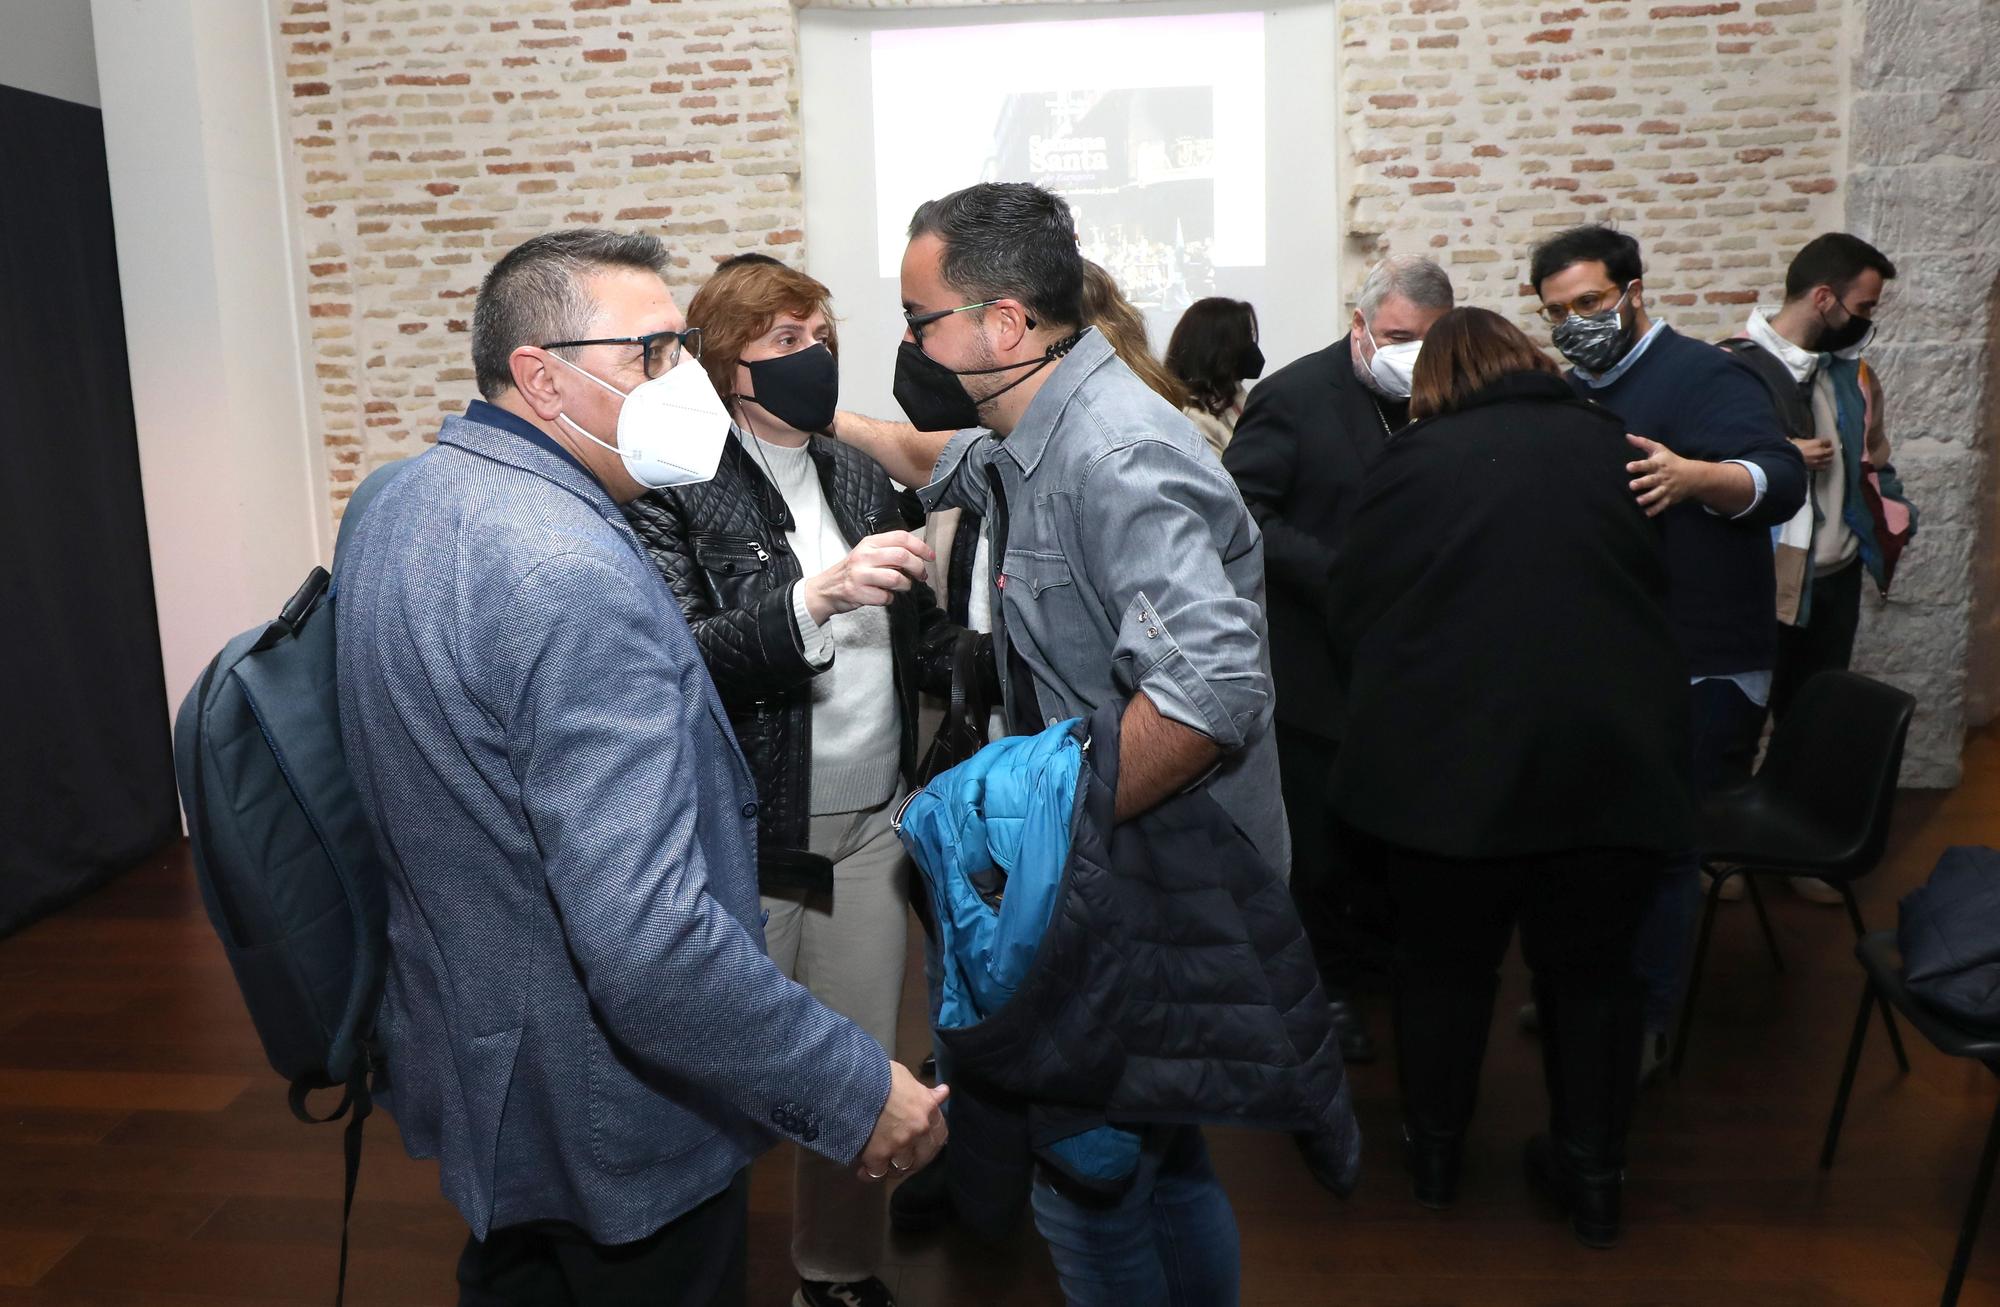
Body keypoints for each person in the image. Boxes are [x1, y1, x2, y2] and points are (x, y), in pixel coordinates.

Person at [334, 229, 948, 1306]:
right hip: (604, 1103)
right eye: (651, 354)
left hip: (484, 1053)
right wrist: (854, 1087)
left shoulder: (399, 496)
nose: (681, 383)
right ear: (540, 374)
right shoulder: (567, 567)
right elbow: (649, 941)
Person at [841, 180, 1291, 1305]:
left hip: (1142, 891)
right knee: (1162, 1163)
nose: (911, 342)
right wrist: (795, 413)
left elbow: (1205, 695)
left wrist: (1035, 830)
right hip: (1134, 884)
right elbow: (916, 451)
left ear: (1000, 328)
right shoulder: (1025, 431)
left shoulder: (1113, 456)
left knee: (1080, 1191)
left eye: (920, 319)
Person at [619, 258, 987, 1307]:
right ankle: (695, 1272)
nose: (811, 354)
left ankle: (836, 1271)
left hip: (871, 828)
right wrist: (809, 601)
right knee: (715, 1083)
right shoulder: (673, 491)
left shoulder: (862, 472)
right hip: (747, 835)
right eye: (783, 339)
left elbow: (918, 646)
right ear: (723, 363)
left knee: (860, 1070)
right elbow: (680, 652)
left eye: (819, 330)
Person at [1328, 306, 1691, 1248]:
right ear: (1526, 360)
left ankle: (1438, 1161)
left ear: (1435, 381)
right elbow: (1648, 582)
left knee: (1444, 970)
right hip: (1612, 764)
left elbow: (1353, 604)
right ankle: (1595, 1178)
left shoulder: (1412, 460)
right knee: (1595, 979)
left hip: (1450, 773)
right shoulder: (1610, 444)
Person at [1529, 225, 1805, 1078]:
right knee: (1590, 837)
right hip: (1606, 663)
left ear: (1634, 291)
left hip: (1700, 659)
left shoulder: (1703, 375)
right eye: (1556, 312)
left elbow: (1780, 478)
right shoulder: (1566, 394)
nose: (1575, 321)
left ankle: (1644, 1016)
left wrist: (1695, 478)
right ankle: (1588, 991)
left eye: (1589, 302)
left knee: (1662, 842)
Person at [1221, 254, 1455, 1066]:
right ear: (1360, 326)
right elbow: (1241, 512)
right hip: (1315, 666)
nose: (1412, 355)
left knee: (1390, 832)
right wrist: (1343, 573)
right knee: (1320, 846)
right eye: (1396, 337)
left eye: (1429, 340)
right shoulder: (1294, 396)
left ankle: (1380, 961)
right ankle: (1324, 989)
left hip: (1411, 667)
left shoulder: (1448, 393)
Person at [1728, 233, 1911, 905]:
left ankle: (1796, 850)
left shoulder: (1854, 377)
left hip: (1834, 580)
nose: (1868, 319)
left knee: (1812, 721)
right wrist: (1775, 456)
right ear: (1824, 297)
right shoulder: (1728, 369)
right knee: (1737, 717)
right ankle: (1725, 848)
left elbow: (1876, 460)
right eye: (1864, 305)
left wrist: (1895, 515)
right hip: (1756, 578)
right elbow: (1706, 472)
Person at [1165, 296, 1262, 457]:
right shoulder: (1193, 419)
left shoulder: (1232, 396)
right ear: (1219, 349)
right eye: (1246, 339)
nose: (1251, 348)